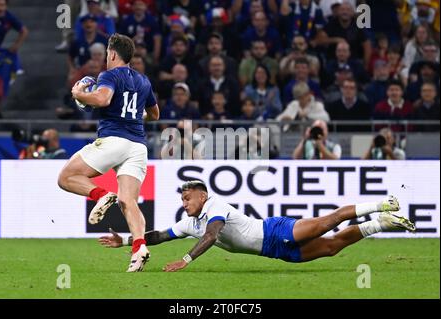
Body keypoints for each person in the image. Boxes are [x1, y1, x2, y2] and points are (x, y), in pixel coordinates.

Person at [98, 180, 415, 272]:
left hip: (274, 230)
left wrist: (186, 260)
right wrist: (128, 241)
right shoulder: (188, 222)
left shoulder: (214, 207)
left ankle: (382, 204)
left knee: (326, 223)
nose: (185, 202)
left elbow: (212, 235)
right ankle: (382, 223)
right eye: (182, 199)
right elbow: (159, 235)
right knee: (332, 248)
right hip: (272, 252)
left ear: (202, 195)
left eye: (188, 197)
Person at [59, 33, 160, 273]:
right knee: (129, 201)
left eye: (106, 53)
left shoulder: (109, 75)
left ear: (112, 54)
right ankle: (139, 247)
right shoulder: (143, 80)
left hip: (114, 140)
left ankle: (101, 194)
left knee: (66, 177)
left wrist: (79, 94)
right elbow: (155, 114)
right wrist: (135, 117)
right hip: (137, 146)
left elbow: (103, 99)